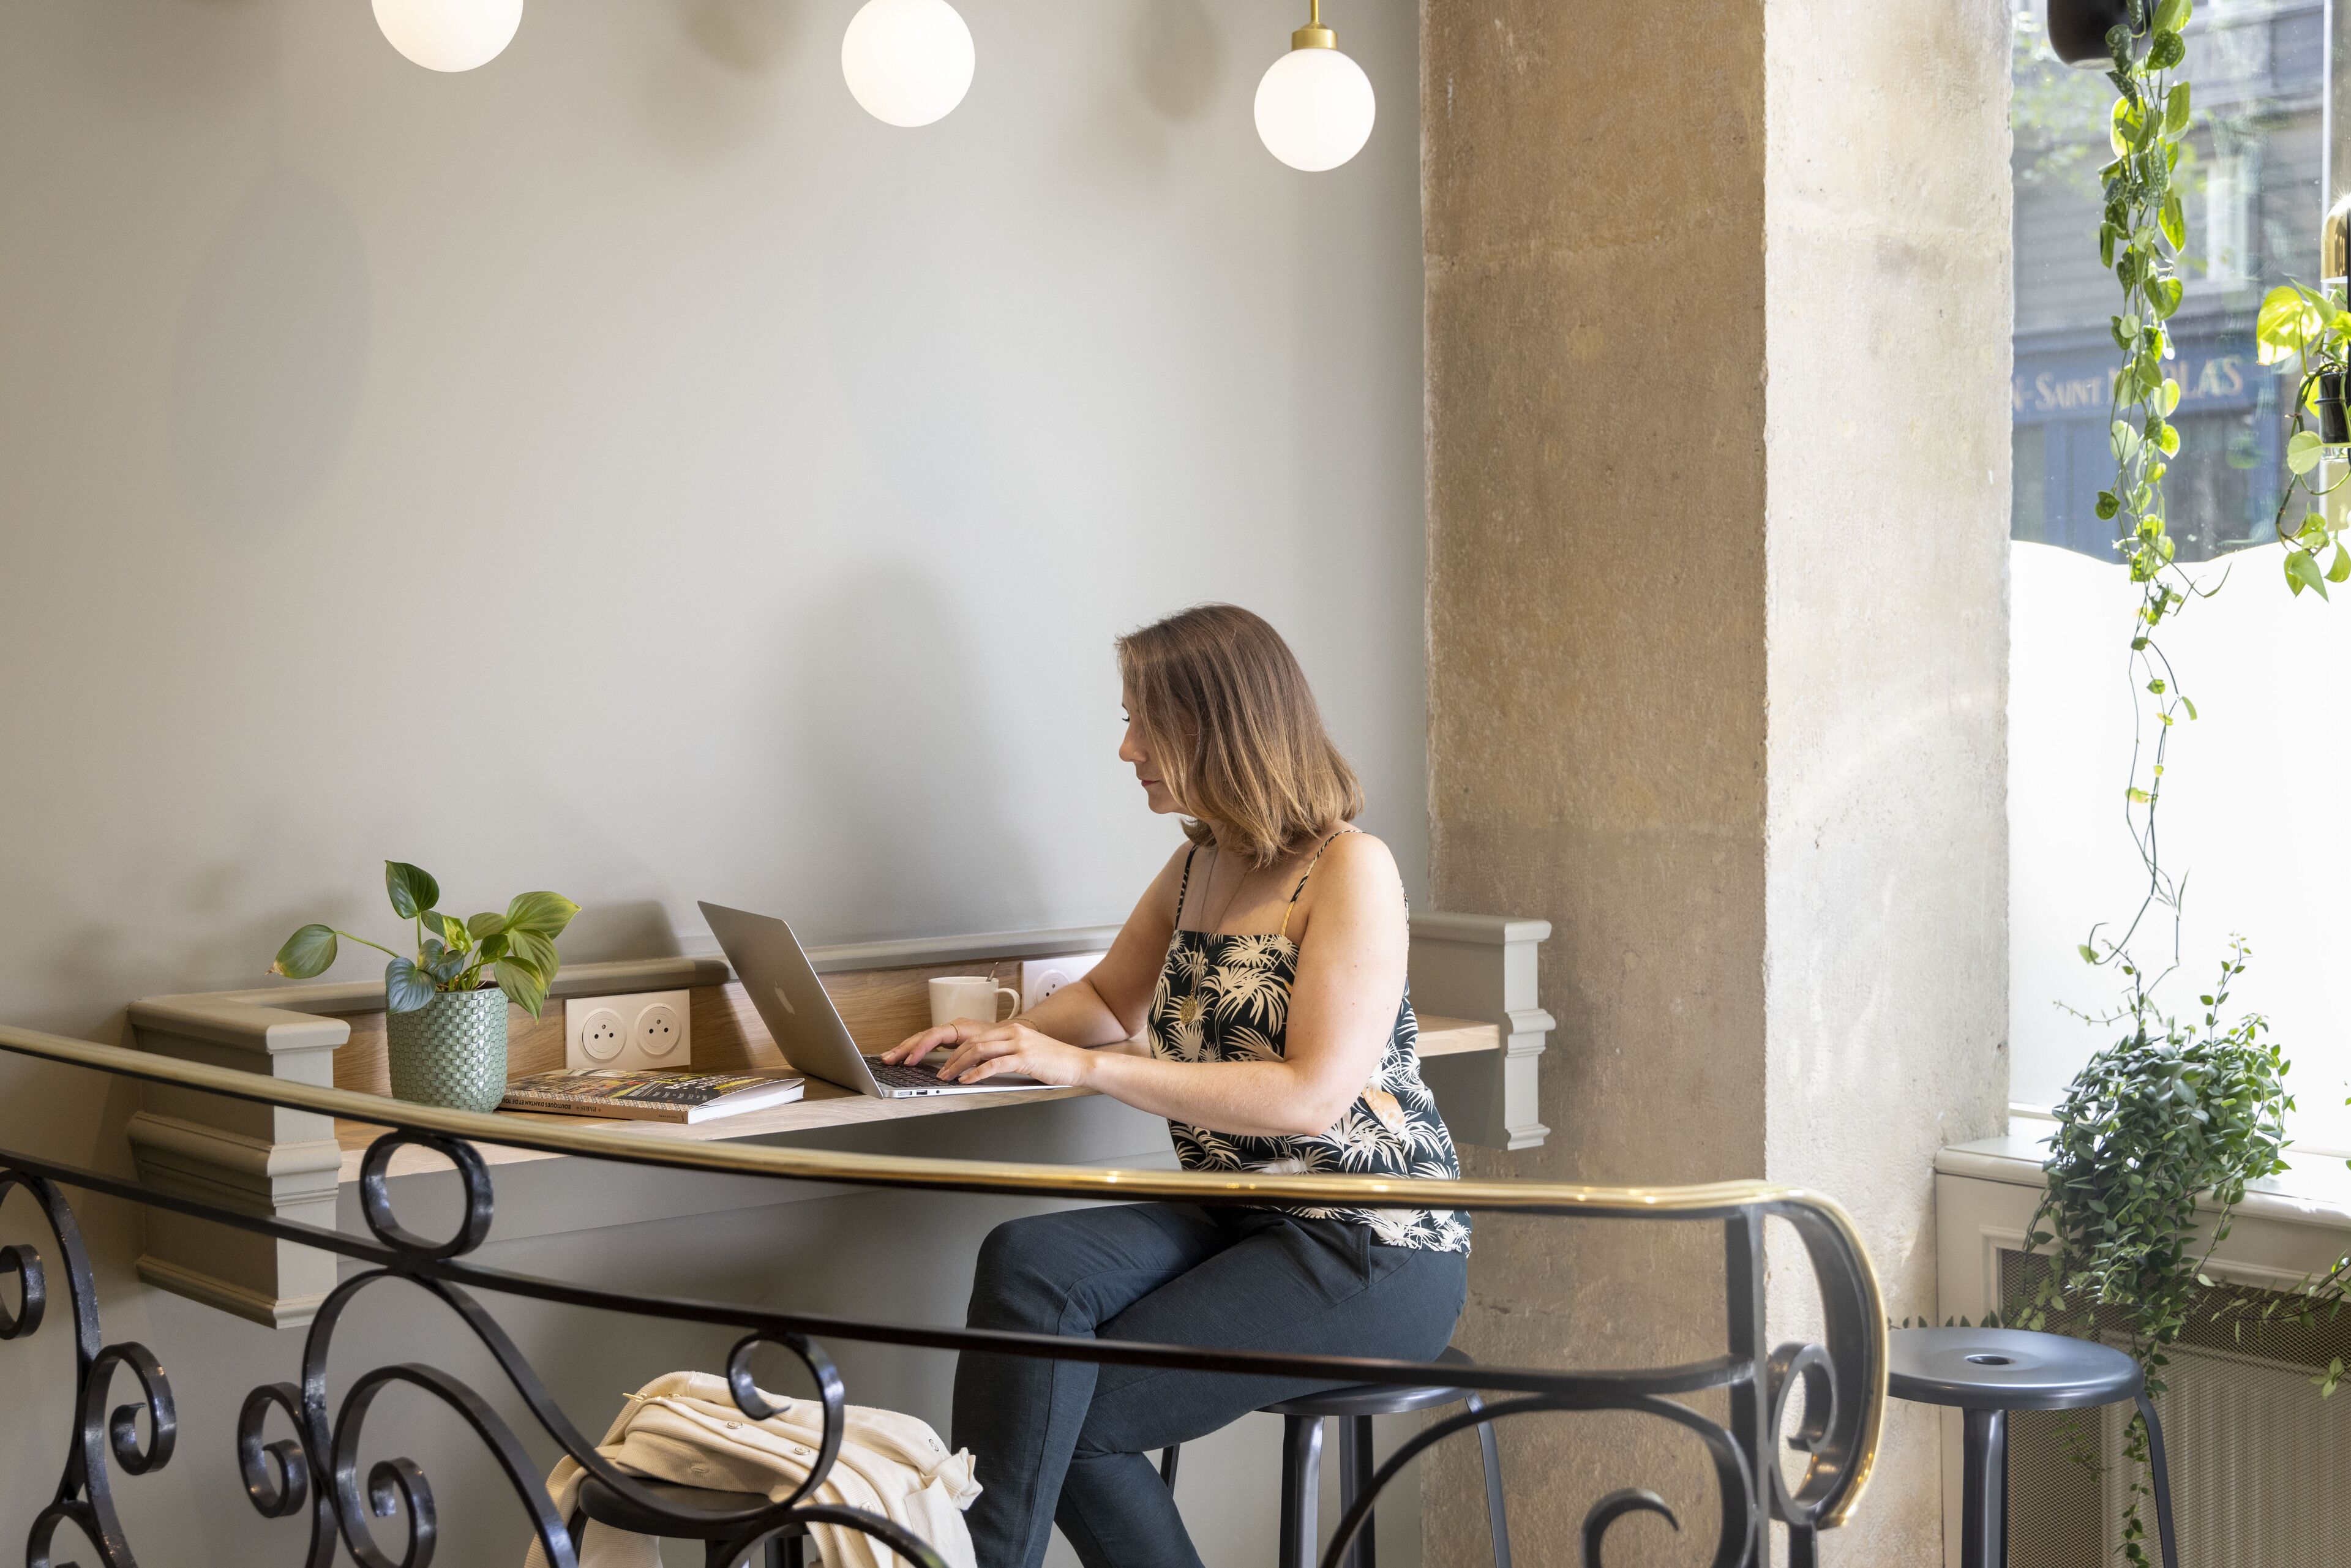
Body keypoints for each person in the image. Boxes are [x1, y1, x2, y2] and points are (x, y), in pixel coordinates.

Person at [880, 603, 1469, 1568]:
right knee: (1028, 1260)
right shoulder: (1199, 864)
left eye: (1143, 723)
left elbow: (1311, 1095)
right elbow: (1112, 997)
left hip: (1371, 1243)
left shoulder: (1350, 869)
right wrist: (1007, 1035)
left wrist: (1089, 1069)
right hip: (1239, 1211)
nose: (1126, 749)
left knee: (1072, 1417)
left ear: (1218, 723)